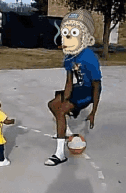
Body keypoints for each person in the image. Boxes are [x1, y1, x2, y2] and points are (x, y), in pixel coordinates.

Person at [44, 9, 102, 166]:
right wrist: (65, 98)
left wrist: (93, 112)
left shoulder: (89, 57)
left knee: (61, 110)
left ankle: (60, 154)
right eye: (65, 33)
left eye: (73, 33)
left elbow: (97, 85)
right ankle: (66, 132)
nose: (67, 37)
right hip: (77, 87)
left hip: (89, 91)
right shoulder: (69, 57)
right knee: (53, 104)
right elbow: (69, 81)